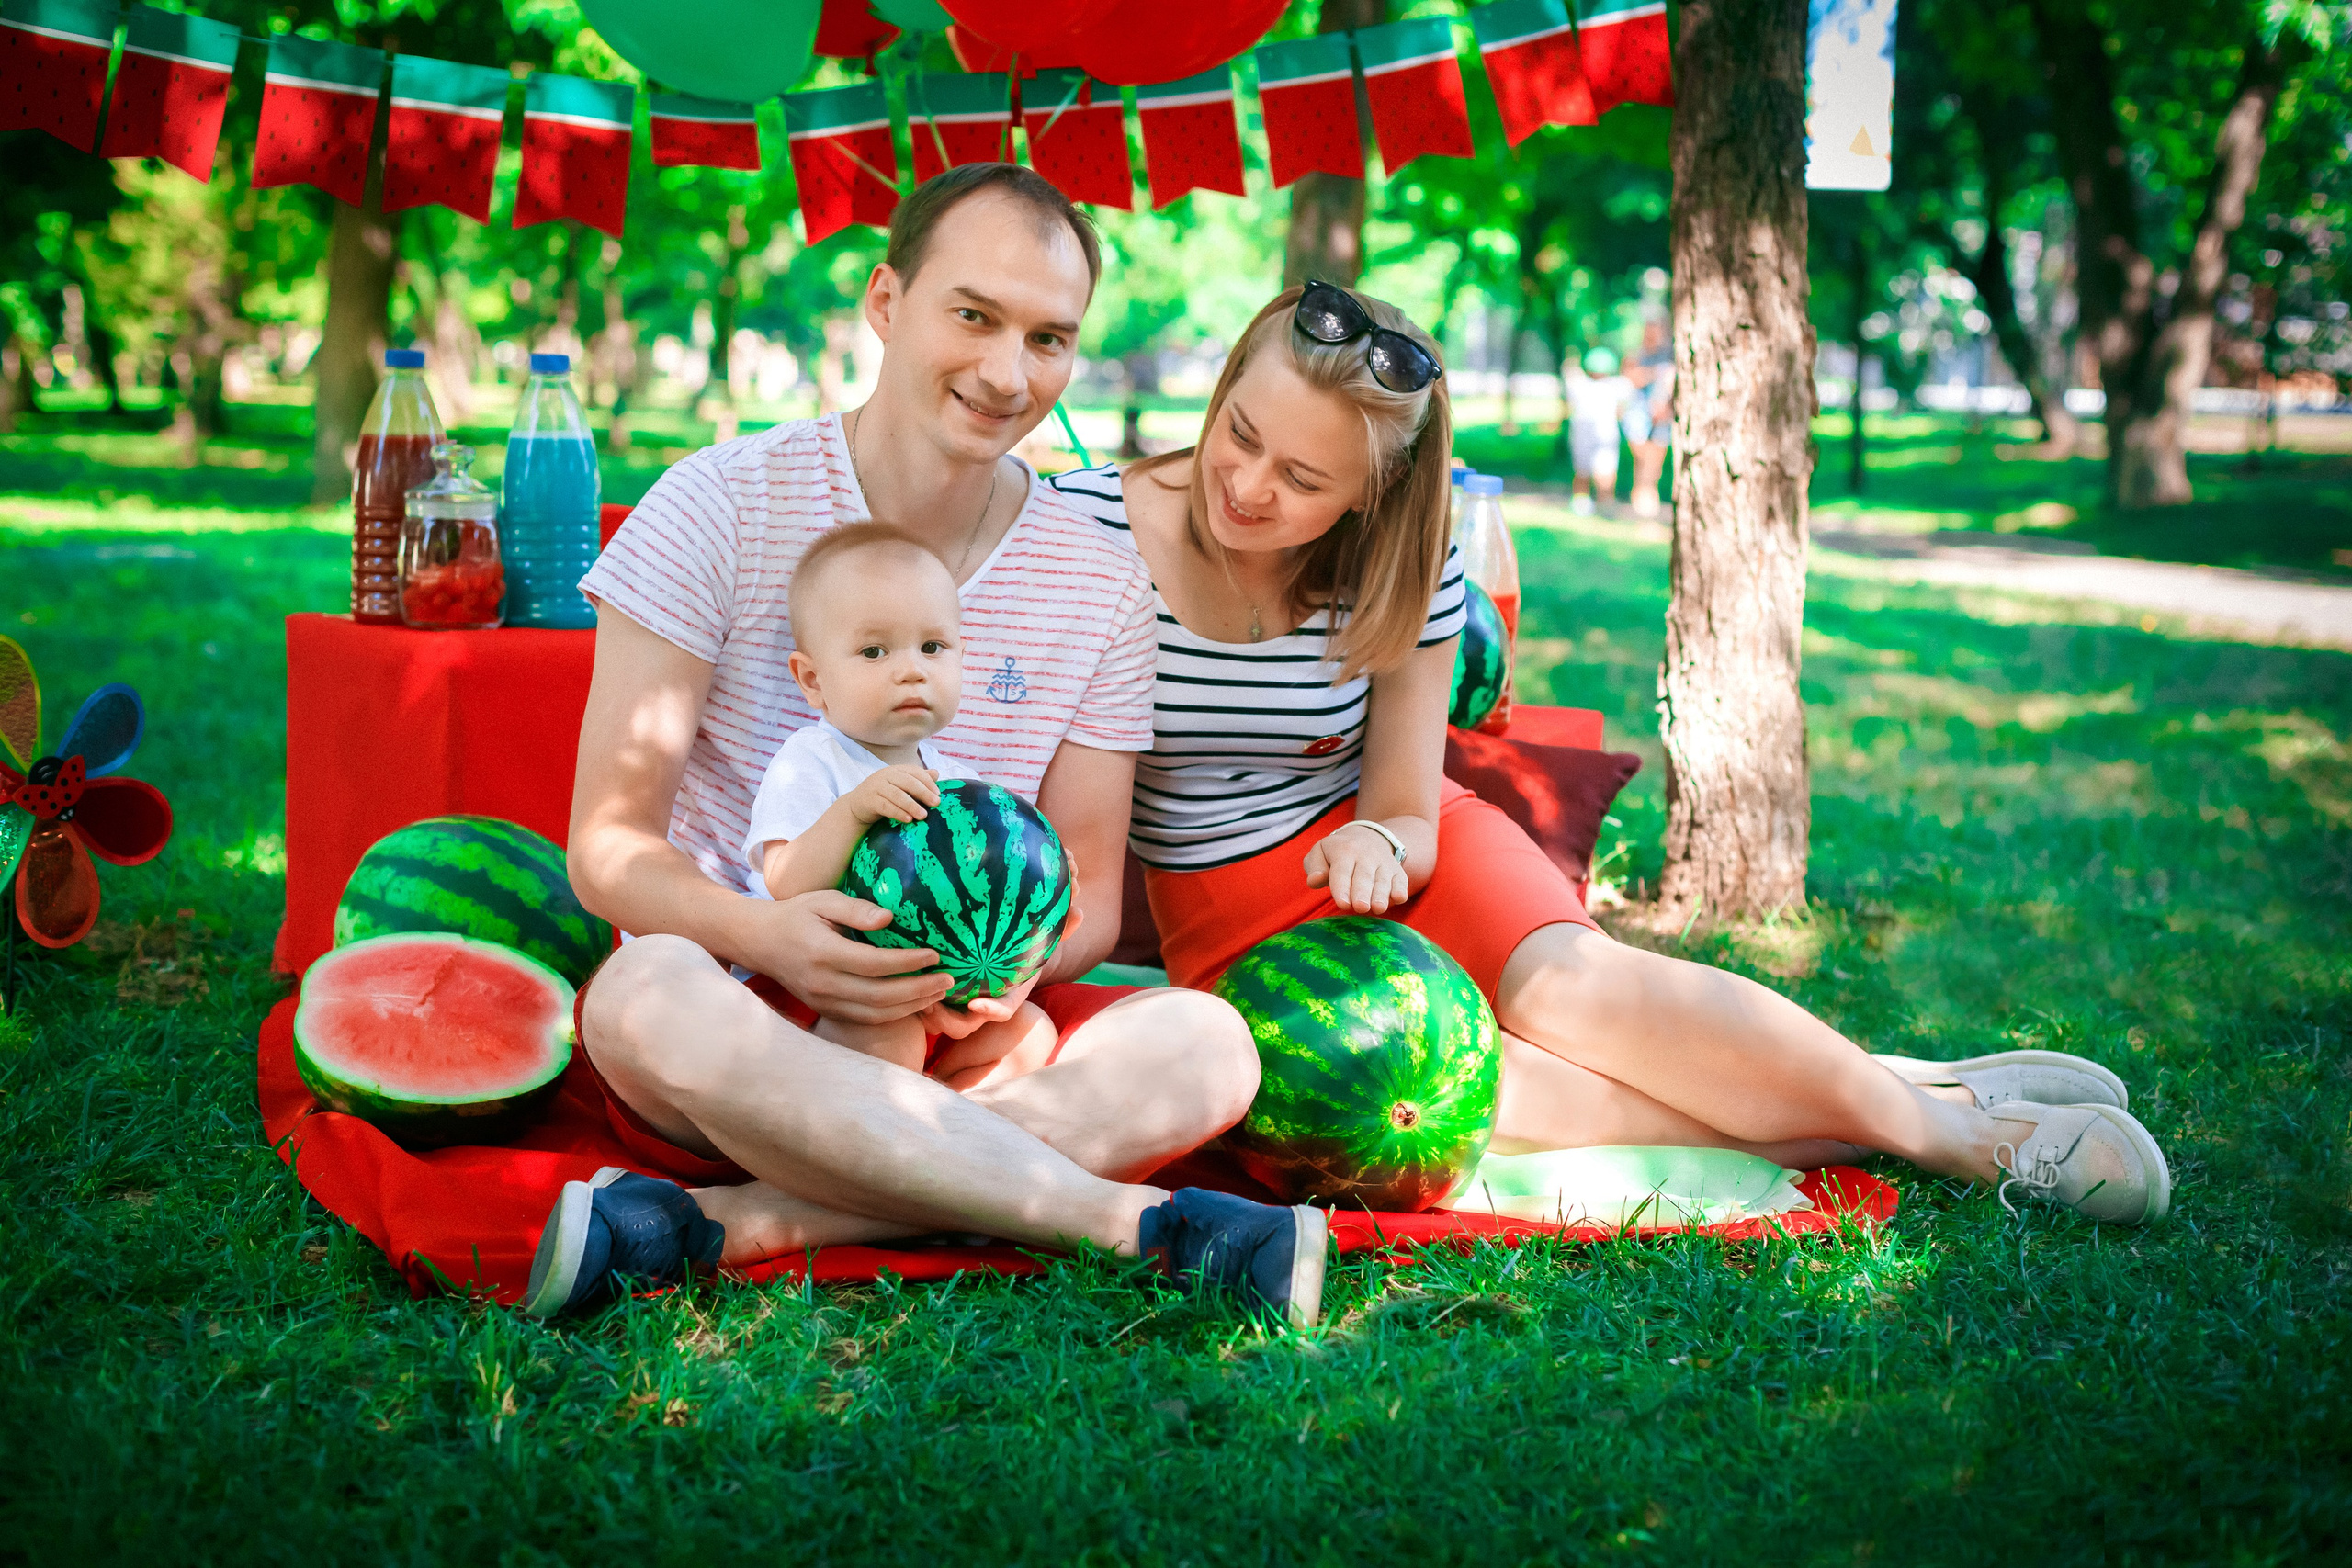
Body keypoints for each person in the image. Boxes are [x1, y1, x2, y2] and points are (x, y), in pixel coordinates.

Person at [1044, 282, 2171, 1226]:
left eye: (1302, 481)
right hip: (1233, 921)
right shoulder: (1082, 530)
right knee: (1492, 1092)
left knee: (1583, 997)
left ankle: (1969, 1144)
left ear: (1369, 497)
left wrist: (1386, 841)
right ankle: (1904, 1097)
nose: (1247, 486)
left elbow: (1402, 797)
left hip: (1408, 857)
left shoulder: (1409, 561)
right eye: (1240, 436)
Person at [526, 165, 1329, 1325]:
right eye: (974, 315)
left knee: (1208, 1043)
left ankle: (726, 1227)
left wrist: (995, 976)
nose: (1008, 373)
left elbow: (1091, 907)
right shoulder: (718, 502)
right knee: (639, 991)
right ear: (884, 300)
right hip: (735, 1022)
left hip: (960, 1038)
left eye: (1048, 338)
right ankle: (1135, 1227)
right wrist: (772, 937)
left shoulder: (1101, 580)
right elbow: (607, 850)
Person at [742, 521, 1056, 1085]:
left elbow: (995, 885)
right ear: (812, 680)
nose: (912, 668)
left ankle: (945, 1127)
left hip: (937, 994)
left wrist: (1049, 876)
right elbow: (784, 882)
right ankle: (898, 1141)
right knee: (890, 1040)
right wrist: (853, 812)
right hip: (830, 997)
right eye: (873, 650)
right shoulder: (811, 760)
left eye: (933, 647)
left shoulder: (958, 783)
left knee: (1031, 1033)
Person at [1565, 345, 1631, 515]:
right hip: (1604, 434)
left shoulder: (1579, 385)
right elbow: (1620, 411)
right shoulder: (1617, 386)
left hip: (1585, 435)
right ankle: (1605, 502)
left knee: (1583, 470)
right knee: (1603, 470)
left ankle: (1583, 501)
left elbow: (1570, 369)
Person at [1624, 320, 1672, 519]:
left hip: (1662, 418)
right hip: (1639, 416)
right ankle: (1643, 503)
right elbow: (1631, 377)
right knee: (1643, 460)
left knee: (1654, 464)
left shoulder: (1670, 355)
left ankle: (1647, 506)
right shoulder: (1637, 355)